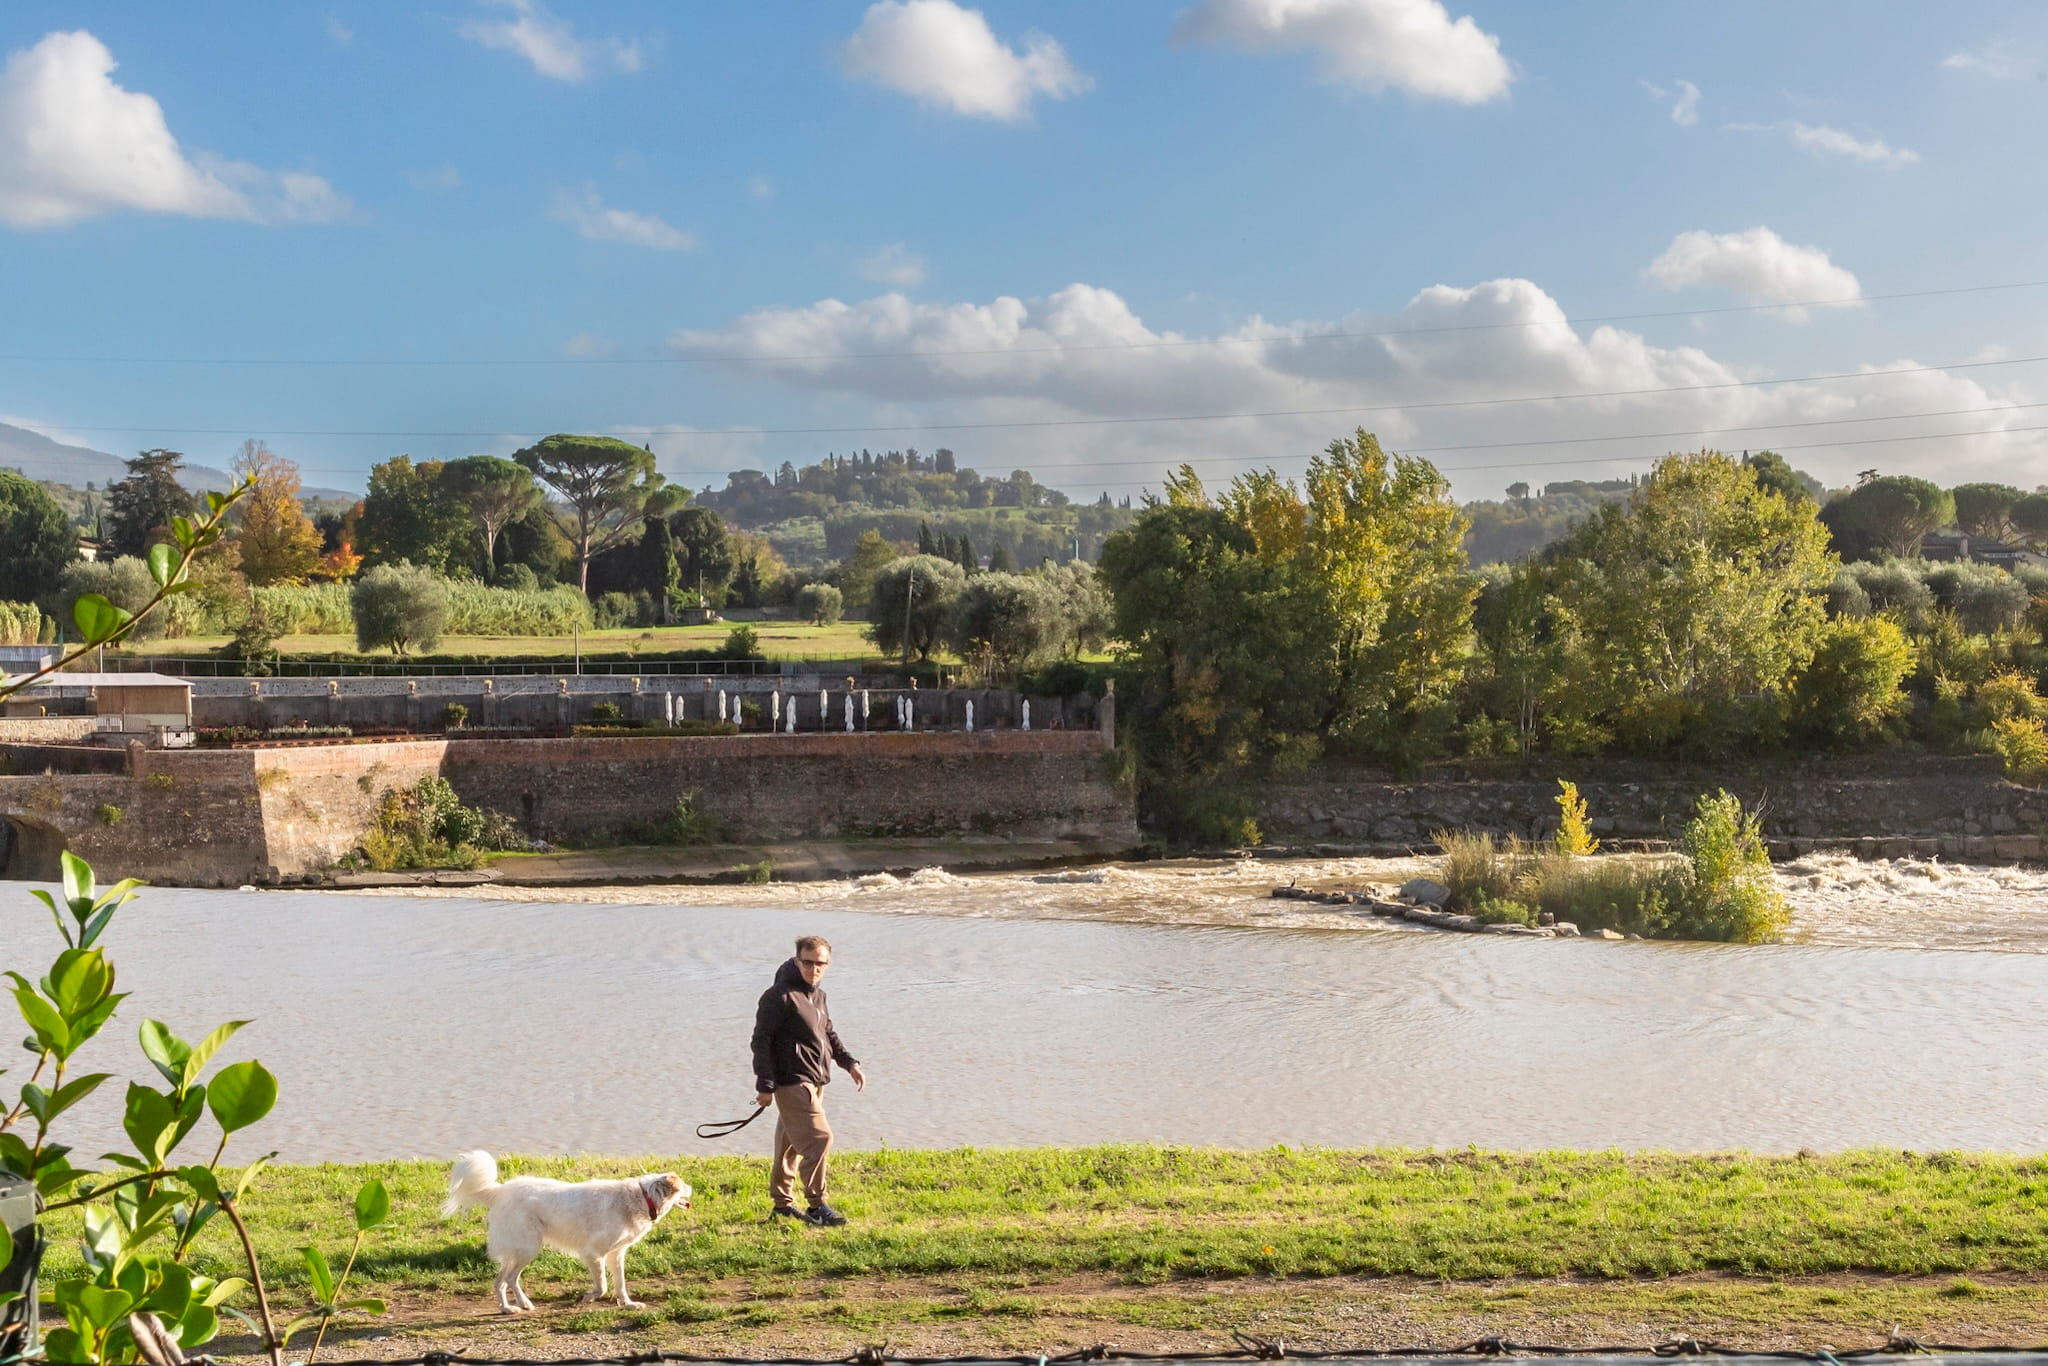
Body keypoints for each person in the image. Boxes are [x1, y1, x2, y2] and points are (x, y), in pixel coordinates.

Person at [751, 935, 866, 1226]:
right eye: (808, 962)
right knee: (819, 1139)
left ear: (828, 964)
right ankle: (817, 1206)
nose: (814, 969)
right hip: (791, 1080)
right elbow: (760, 1040)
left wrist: (849, 1063)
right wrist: (764, 1084)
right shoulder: (778, 996)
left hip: (816, 1080)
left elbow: (828, 1034)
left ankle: (782, 1205)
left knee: (788, 1145)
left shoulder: (818, 995)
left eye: (821, 963)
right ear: (796, 959)